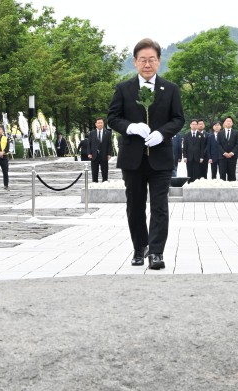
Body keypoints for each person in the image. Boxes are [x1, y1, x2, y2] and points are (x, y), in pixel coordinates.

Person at [108, 38, 184, 270]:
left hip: (160, 157)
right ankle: (139, 248)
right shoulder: (124, 88)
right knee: (135, 205)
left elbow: (178, 119)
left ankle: (157, 252)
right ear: (135, 62)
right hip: (132, 158)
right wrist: (130, 127)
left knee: (160, 206)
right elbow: (113, 118)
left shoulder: (170, 89)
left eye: (152, 59)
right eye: (143, 60)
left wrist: (162, 134)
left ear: (159, 61)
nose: (147, 64)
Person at [87, 117, 114, 182]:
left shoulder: (107, 133)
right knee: (94, 173)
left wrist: (109, 154)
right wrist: (89, 153)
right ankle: (95, 184)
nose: (100, 124)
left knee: (105, 173)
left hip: (104, 155)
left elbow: (109, 144)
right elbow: (89, 144)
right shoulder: (92, 133)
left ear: (103, 124)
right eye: (98, 123)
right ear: (96, 124)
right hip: (94, 156)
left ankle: (104, 185)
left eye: (101, 123)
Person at [217, 116, 238, 181]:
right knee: (222, 174)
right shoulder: (220, 133)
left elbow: (237, 144)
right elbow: (218, 144)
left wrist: (232, 152)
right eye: (227, 121)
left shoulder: (236, 132)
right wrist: (224, 153)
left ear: (232, 123)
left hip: (232, 157)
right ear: (224, 123)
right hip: (222, 157)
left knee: (232, 174)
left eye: (230, 121)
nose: (228, 122)